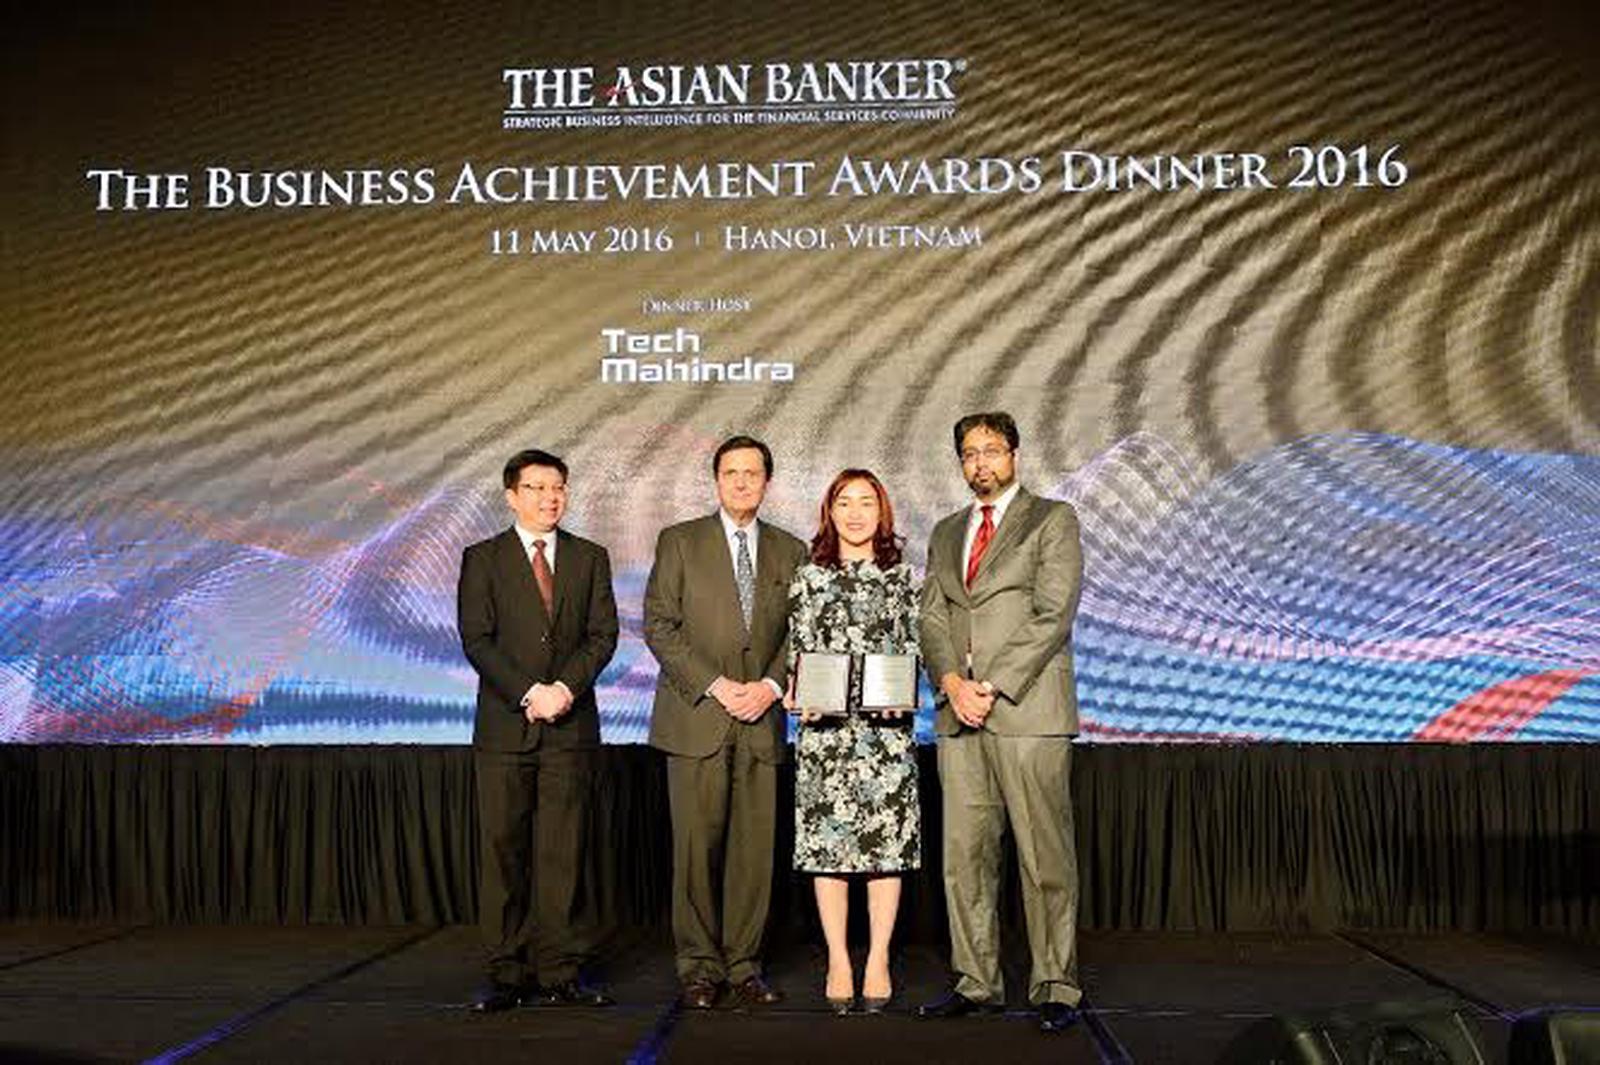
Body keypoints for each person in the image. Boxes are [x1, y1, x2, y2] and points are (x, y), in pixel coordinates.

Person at [916, 412, 1086, 1034]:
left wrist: (988, 686)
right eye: (969, 453)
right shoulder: (945, 532)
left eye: (991, 449)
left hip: (1027, 710)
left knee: (1044, 858)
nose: (980, 461)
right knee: (965, 859)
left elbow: (1053, 613)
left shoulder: (1052, 519)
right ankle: (976, 982)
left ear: (1014, 454)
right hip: (958, 715)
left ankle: (1056, 985)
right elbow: (931, 617)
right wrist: (951, 684)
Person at [643, 435, 808, 1010]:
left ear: (767, 482)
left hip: (761, 720)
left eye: (752, 473)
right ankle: (698, 967)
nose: (741, 482)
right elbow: (659, 625)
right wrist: (716, 686)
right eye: (731, 472)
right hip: (697, 718)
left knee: (753, 854)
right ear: (716, 480)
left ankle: (744, 965)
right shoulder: (680, 541)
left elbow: (802, 632)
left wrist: (768, 687)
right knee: (695, 852)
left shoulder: (792, 550)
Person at [457, 449, 620, 1013]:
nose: (550, 498)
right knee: (503, 853)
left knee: (562, 854)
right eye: (537, 487)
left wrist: (564, 690)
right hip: (505, 729)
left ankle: (560, 971)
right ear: (512, 496)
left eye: (558, 487)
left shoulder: (590, 557)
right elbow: (477, 639)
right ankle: (506, 972)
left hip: (570, 731)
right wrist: (529, 692)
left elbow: (602, 636)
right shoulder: (482, 558)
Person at [785, 469, 921, 1015]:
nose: (856, 513)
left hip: (886, 737)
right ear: (830, 511)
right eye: (845, 502)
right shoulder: (808, 577)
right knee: (829, 852)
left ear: (882, 512)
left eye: (867, 502)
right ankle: (839, 958)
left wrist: (906, 695)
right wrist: (799, 693)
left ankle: (879, 958)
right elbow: (798, 650)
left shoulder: (905, 578)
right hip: (825, 737)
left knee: (886, 852)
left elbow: (916, 648)